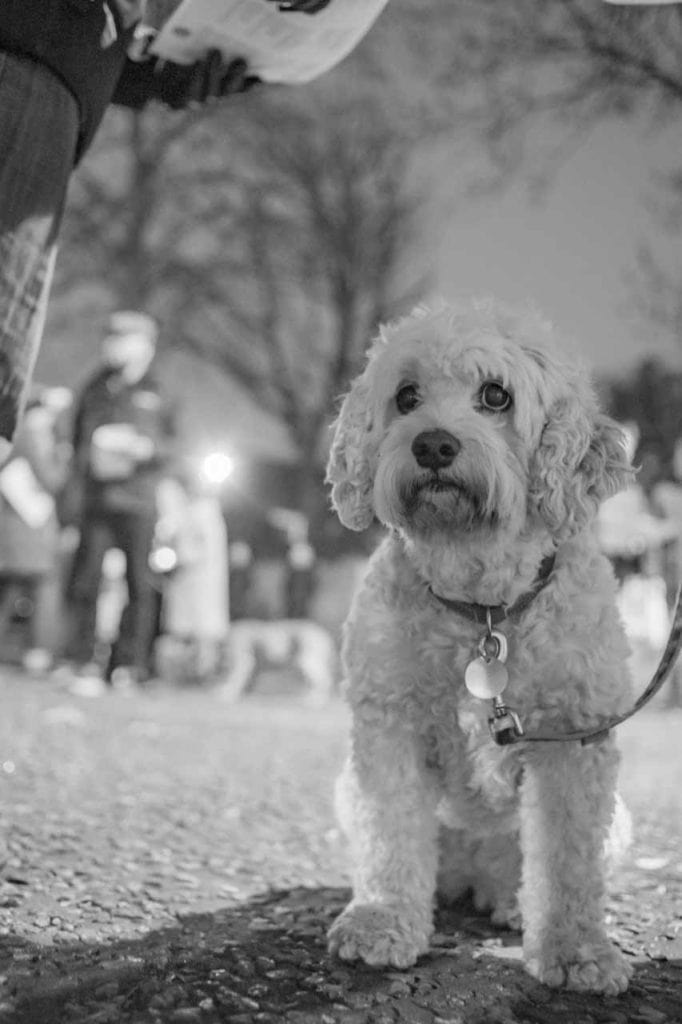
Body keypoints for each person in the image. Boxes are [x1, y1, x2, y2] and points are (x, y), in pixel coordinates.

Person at [65, 310, 176, 686]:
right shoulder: (95, 386)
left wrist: (146, 447)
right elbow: (77, 441)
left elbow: (176, 444)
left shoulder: (160, 389)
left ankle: (130, 664)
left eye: (120, 338)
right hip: (98, 499)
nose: (110, 345)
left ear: (144, 344)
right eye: (108, 338)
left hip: (139, 501)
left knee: (140, 584)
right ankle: (81, 660)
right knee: (86, 580)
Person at [0, 387, 72, 671]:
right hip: (29, 525)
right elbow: (52, 479)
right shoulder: (33, 437)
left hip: (16, 526)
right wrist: (63, 458)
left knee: (10, 586)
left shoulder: (16, 436)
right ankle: (41, 649)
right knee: (44, 585)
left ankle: (37, 648)